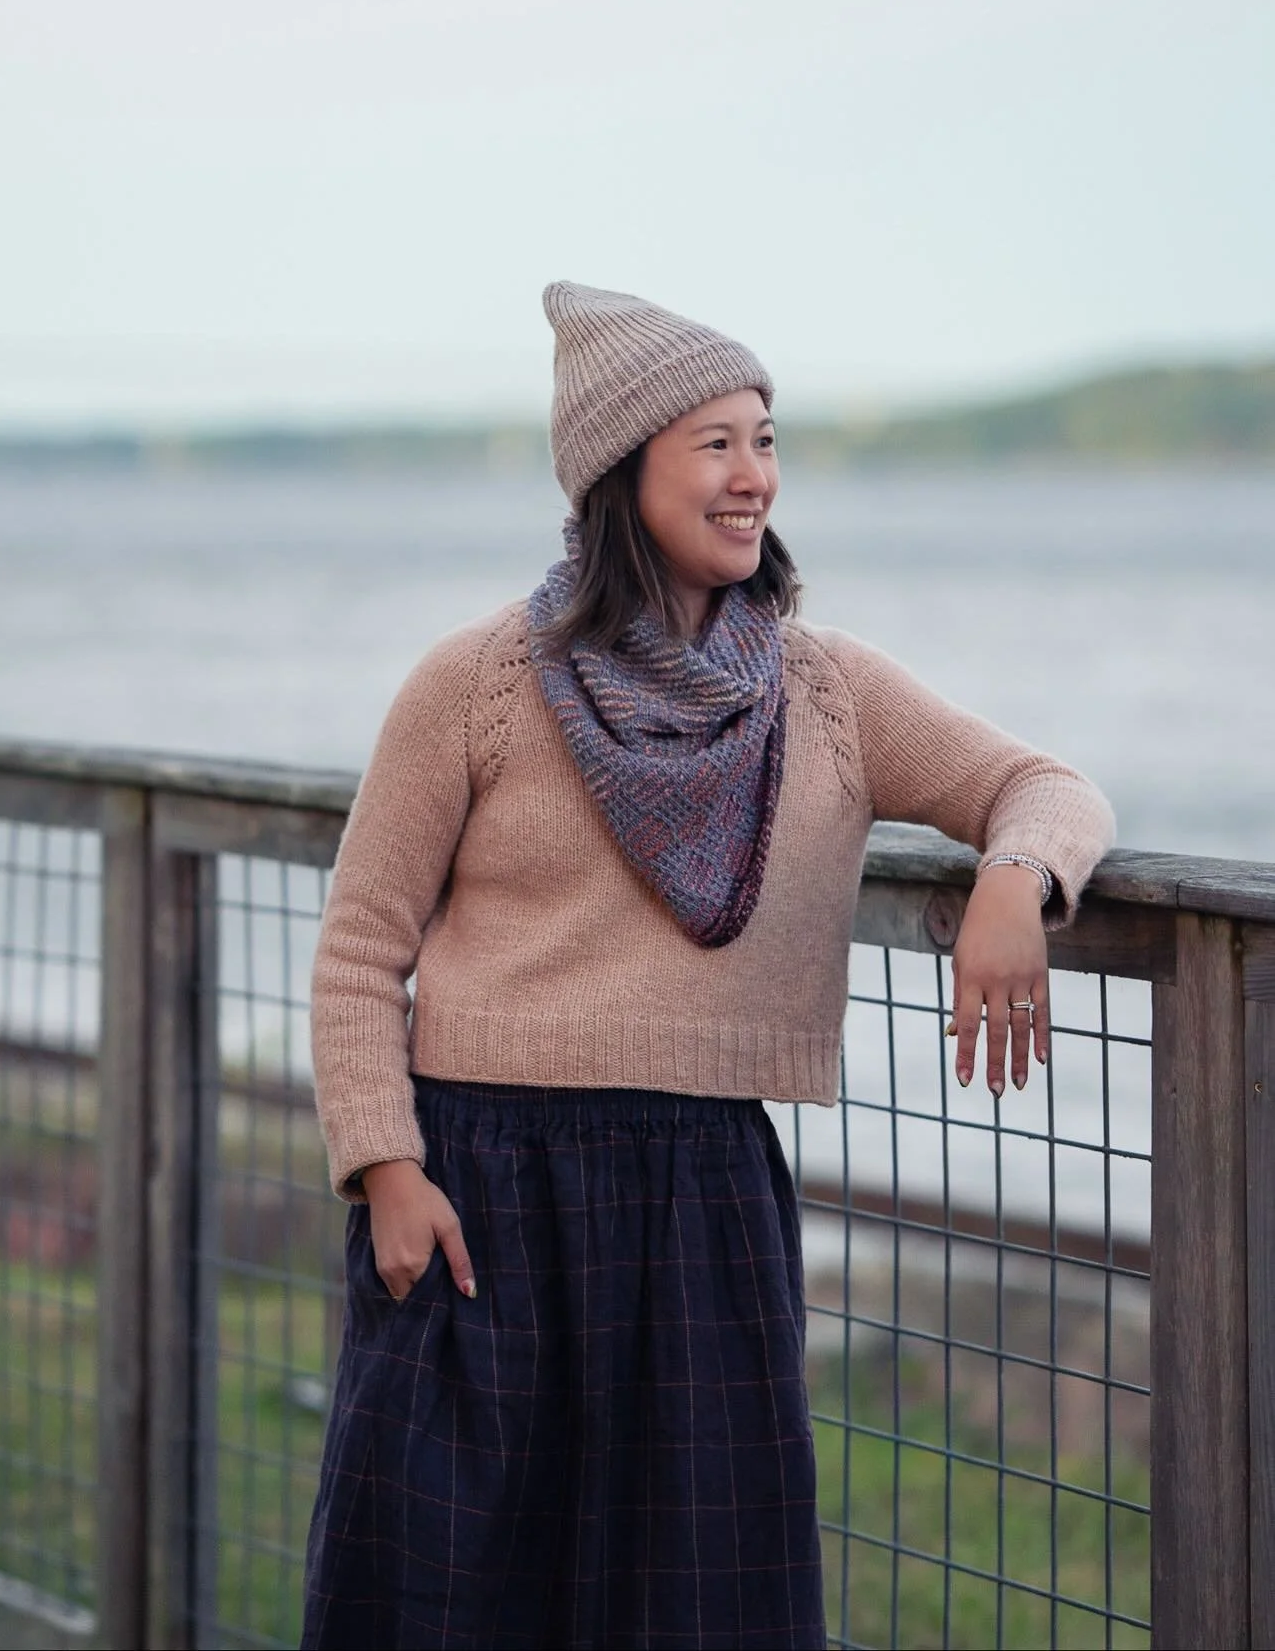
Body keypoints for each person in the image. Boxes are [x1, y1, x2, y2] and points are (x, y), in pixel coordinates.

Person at [300, 282, 1115, 1651]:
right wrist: (386, 1168)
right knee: (443, 1594)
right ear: (625, 470)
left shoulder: (827, 691)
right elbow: (360, 946)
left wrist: (1015, 881)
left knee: (699, 1605)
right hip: (478, 1190)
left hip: (703, 1201)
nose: (757, 480)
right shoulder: (480, 680)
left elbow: (1045, 784)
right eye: (719, 444)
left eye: (768, 439)